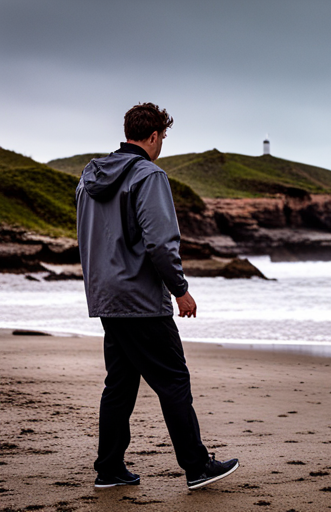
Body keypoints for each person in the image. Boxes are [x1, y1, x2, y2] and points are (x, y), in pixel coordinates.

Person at [76, 102, 239, 490]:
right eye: (163, 137)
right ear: (153, 136)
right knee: (173, 380)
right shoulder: (149, 176)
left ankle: (110, 468)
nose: (162, 143)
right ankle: (197, 466)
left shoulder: (88, 178)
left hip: (105, 297)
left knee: (119, 383)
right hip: (140, 301)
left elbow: (89, 238)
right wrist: (180, 290)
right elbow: (161, 243)